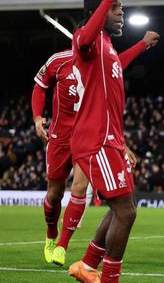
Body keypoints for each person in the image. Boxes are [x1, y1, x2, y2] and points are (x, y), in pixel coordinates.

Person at [66, 0, 159, 283]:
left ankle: (88, 266)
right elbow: (84, 36)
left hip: (111, 141)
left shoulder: (107, 49)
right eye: (116, 8)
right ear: (99, 12)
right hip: (95, 141)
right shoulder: (86, 39)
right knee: (125, 212)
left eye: (121, 7)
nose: (121, 12)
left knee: (124, 206)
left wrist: (142, 45)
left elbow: (119, 65)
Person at [32, 45, 143, 267]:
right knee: (54, 194)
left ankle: (62, 245)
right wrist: (37, 118)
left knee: (79, 188)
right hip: (59, 137)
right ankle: (51, 233)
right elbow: (39, 86)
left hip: (87, 137)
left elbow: (119, 62)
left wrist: (142, 44)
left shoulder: (99, 63)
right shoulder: (59, 60)